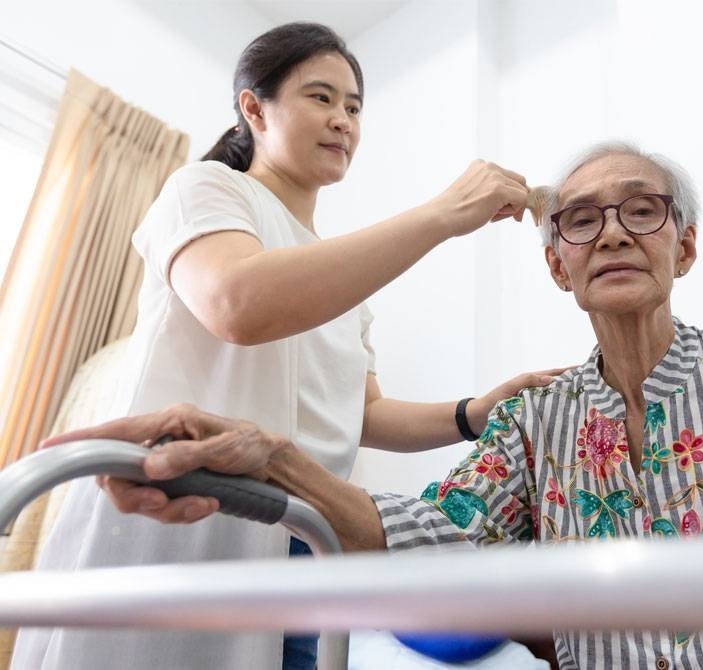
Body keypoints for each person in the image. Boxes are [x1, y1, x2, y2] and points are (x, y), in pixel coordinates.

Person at [39, 143, 703, 669]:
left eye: (643, 211)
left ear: (686, 246)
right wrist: (274, 457)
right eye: (580, 221)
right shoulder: (533, 421)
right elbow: (425, 536)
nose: (612, 232)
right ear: (558, 267)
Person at [11, 21, 558, 670]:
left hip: (306, 537)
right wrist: (442, 214)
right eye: (321, 97)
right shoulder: (206, 190)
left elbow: (361, 415)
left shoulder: (340, 275)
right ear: (254, 108)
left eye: (354, 107)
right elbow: (237, 305)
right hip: (186, 517)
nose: (343, 120)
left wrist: (474, 412)